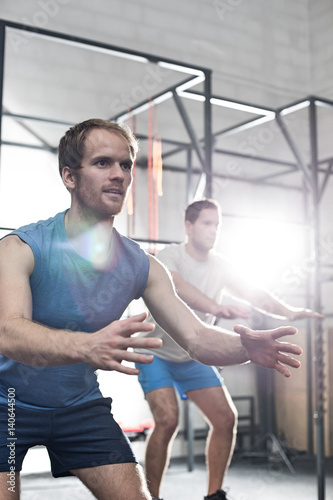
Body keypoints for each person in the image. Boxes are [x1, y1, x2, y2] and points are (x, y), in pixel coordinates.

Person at [0, 119, 303, 500]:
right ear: (69, 176)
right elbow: (8, 332)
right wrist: (86, 346)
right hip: (7, 405)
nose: (118, 175)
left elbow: (196, 338)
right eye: (102, 163)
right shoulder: (21, 248)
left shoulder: (142, 265)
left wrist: (247, 348)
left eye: (125, 165)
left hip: (78, 407)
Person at [135, 198, 323, 500]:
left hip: (194, 354)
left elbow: (253, 293)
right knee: (168, 420)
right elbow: (177, 286)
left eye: (217, 225)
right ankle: (151, 497)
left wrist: (288, 311)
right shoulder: (169, 256)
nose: (213, 230)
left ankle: (214, 495)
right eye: (207, 223)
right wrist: (216, 308)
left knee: (225, 419)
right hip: (155, 351)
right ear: (189, 226)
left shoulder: (222, 265)